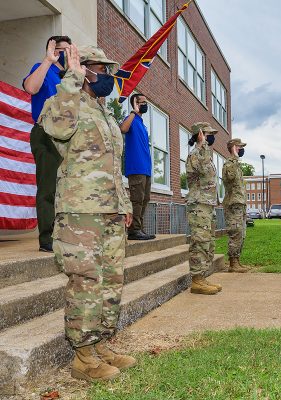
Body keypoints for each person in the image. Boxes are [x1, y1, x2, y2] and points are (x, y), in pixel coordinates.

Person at [39, 44, 136, 381]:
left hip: (111, 211)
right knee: (86, 281)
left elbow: (114, 165)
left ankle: (101, 344)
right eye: (103, 69)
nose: (108, 75)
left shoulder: (104, 112)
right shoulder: (64, 101)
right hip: (81, 212)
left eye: (110, 70)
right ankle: (83, 357)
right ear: (85, 70)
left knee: (111, 280)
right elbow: (57, 129)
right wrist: (70, 79)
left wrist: (124, 204)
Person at [23, 35, 71, 252]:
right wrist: (48, 60)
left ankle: (67, 233)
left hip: (69, 135)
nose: (66, 53)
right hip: (46, 133)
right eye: (62, 50)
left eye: (69, 49)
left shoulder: (71, 76)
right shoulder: (42, 68)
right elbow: (31, 88)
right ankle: (47, 238)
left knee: (69, 188)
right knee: (48, 188)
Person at [186, 122, 222, 295]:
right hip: (198, 205)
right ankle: (197, 280)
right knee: (199, 242)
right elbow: (201, 170)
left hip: (207, 204)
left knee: (208, 241)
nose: (211, 138)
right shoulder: (195, 154)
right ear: (200, 134)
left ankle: (202, 276)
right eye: (209, 134)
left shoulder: (204, 154)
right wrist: (201, 145)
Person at [120, 93, 155, 240]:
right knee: (137, 199)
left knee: (145, 199)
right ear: (135, 103)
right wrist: (133, 112)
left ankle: (138, 228)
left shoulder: (142, 124)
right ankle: (133, 231)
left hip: (146, 169)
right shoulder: (131, 119)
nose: (145, 105)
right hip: (136, 168)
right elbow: (123, 129)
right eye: (142, 102)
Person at [222, 138, 250, 273]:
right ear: (233, 147)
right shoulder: (229, 164)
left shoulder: (236, 165)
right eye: (239, 147)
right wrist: (234, 157)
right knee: (236, 232)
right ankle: (233, 264)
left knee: (241, 233)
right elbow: (231, 177)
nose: (241, 149)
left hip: (240, 203)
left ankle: (237, 261)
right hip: (233, 204)